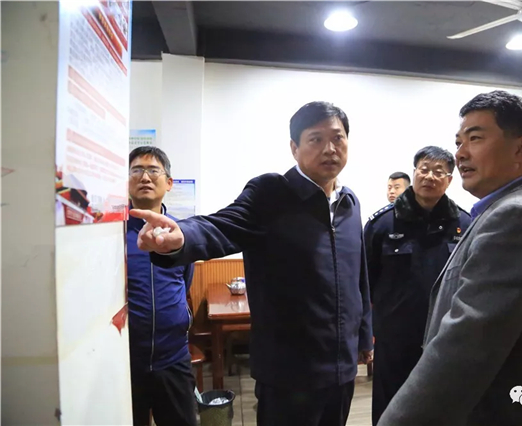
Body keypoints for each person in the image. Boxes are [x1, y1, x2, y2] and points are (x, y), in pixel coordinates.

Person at [130, 102, 373, 426]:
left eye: (338, 138)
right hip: (288, 375)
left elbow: (358, 276)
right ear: (294, 147)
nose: (330, 148)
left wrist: (364, 335)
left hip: (342, 370)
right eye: (316, 139)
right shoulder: (270, 193)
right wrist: (182, 236)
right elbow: (221, 226)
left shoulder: (349, 203)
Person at [378, 90, 522, 426]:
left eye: (475, 138)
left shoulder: (517, 217)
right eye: (459, 142)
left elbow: (463, 350)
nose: (461, 153)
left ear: (521, 148)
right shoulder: (510, 209)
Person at [365, 146, 471, 426]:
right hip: (395, 339)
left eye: (439, 172)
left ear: (449, 180)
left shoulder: (465, 224)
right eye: (424, 169)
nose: (430, 176)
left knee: (439, 408)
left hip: (445, 338)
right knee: (389, 408)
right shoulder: (382, 224)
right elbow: (366, 283)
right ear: (414, 173)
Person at [127, 146, 196, 426]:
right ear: (127, 181)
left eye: (153, 170)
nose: (145, 177)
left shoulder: (180, 233)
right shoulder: (110, 233)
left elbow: (185, 281)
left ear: (168, 183)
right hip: (125, 362)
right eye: (137, 170)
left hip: (174, 358)